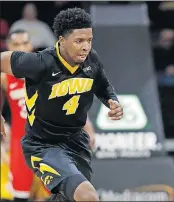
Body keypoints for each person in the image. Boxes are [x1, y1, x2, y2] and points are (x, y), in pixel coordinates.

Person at [0, 8, 123, 202]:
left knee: (69, 199)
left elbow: (103, 85)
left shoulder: (92, 60)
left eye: (89, 40)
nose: (86, 47)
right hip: (43, 144)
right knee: (88, 196)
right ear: (61, 40)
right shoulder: (39, 63)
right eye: (79, 41)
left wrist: (112, 100)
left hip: (76, 142)